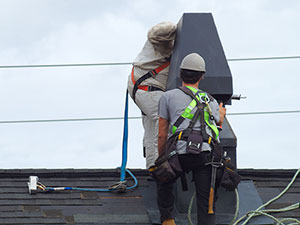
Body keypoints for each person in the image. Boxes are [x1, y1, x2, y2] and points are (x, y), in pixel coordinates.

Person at [157, 53, 226, 225]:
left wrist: (162, 159)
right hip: (205, 155)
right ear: (202, 76)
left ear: (180, 74)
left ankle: (168, 219)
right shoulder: (211, 100)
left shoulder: (167, 97)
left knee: (163, 180)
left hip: (179, 153)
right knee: (207, 202)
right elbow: (216, 127)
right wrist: (221, 116)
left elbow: (162, 133)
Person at [127, 22, 176, 169]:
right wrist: (175, 31)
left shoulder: (163, 50)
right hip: (147, 88)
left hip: (142, 86)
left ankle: (152, 167)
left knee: (151, 127)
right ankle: (161, 166)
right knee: (163, 122)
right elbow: (158, 32)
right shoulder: (161, 38)